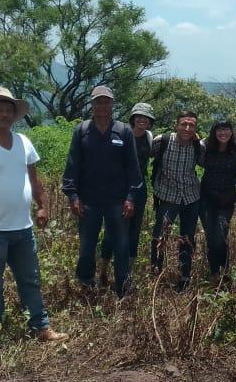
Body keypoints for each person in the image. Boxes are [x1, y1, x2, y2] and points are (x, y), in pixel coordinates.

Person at [0, 87, 68, 342]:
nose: (5, 114)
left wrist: (43, 205)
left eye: (8, 110)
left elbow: (34, 178)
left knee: (31, 280)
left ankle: (41, 327)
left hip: (23, 229)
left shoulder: (23, 142)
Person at [62, 85, 142, 296]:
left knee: (121, 245)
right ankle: (86, 284)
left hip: (117, 200)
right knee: (87, 245)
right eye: (98, 102)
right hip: (88, 199)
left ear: (112, 105)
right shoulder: (82, 131)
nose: (102, 106)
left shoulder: (123, 131)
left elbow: (133, 168)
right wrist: (73, 195)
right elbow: (73, 165)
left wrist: (131, 197)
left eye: (106, 102)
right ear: (92, 105)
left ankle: (122, 285)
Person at [99, 101, 154, 286]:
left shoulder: (149, 137)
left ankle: (127, 276)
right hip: (118, 190)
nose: (142, 120)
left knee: (134, 232)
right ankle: (103, 272)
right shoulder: (122, 134)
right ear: (133, 118)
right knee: (112, 232)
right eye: (139, 116)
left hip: (140, 189)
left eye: (146, 117)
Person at [150, 110, 206, 291]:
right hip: (167, 196)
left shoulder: (198, 146)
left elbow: (207, 163)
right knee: (160, 236)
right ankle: (155, 272)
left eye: (191, 125)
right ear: (177, 124)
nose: (187, 128)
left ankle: (184, 276)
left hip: (191, 197)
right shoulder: (163, 141)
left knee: (187, 238)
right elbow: (143, 154)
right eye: (184, 124)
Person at [200, 115, 236, 282]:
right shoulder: (207, 147)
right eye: (219, 129)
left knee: (220, 236)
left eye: (226, 129)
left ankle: (225, 270)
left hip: (227, 200)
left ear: (231, 132)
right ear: (214, 131)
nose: (223, 132)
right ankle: (214, 272)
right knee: (211, 236)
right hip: (207, 198)